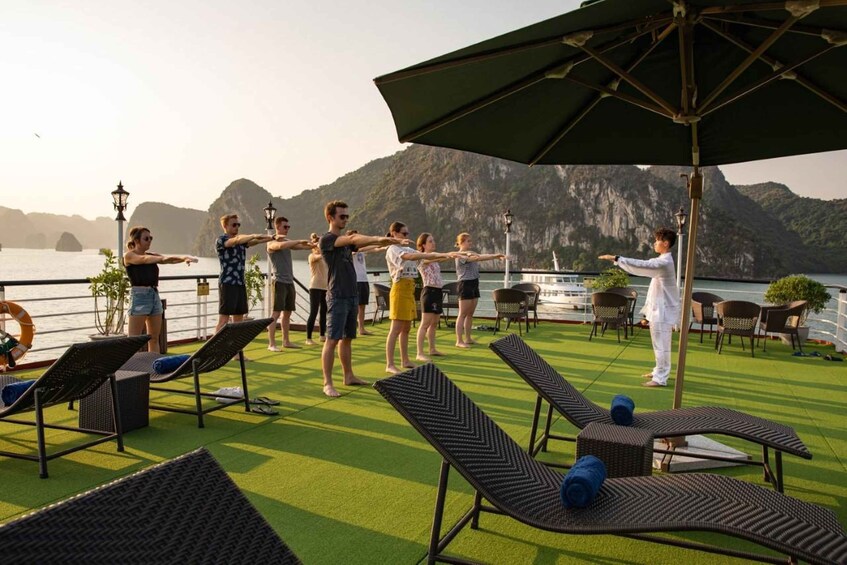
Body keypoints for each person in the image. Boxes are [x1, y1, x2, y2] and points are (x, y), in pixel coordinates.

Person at [319, 201, 409, 397]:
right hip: (337, 295)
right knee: (332, 340)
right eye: (342, 216)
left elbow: (367, 244)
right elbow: (354, 238)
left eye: (347, 216)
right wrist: (380, 238)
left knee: (347, 339)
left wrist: (388, 241)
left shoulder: (346, 244)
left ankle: (348, 376)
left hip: (352, 294)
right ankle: (327, 383)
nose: (345, 219)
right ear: (330, 218)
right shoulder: (327, 239)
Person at [599, 227, 681, 388]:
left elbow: (642, 265)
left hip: (663, 311)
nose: (654, 243)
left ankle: (660, 378)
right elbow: (646, 265)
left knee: (662, 345)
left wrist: (617, 258)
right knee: (659, 344)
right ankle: (659, 370)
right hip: (660, 309)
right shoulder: (663, 260)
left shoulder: (664, 263)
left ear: (665, 243)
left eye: (657, 240)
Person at [384, 223, 459, 374]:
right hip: (399, 288)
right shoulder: (393, 249)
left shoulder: (407, 248)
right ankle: (390, 364)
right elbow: (411, 257)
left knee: (406, 328)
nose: (407, 236)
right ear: (394, 233)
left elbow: (425, 255)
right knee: (395, 329)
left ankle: (405, 360)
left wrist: (450, 254)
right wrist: (428, 255)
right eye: (404, 233)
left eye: (407, 233)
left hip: (409, 288)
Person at [123, 226, 197, 353]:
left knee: (154, 338)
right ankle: (131, 365)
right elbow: (145, 259)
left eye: (151, 238)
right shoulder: (129, 256)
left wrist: (184, 258)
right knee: (133, 340)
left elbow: (167, 260)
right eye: (146, 238)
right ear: (136, 241)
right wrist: (161, 259)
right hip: (139, 297)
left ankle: (154, 364)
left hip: (154, 295)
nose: (149, 241)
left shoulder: (151, 255)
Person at [215, 214, 279, 333]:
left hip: (240, 283)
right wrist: (253, 235)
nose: (237, 227)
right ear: (225, 226)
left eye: (238, 225)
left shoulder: (241, 242)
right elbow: (235, 241)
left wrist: (272, 237)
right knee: (224, 319)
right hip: (227, 284)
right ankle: (215, 345)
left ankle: (235, 345)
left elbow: (256, 241)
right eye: (234, 225)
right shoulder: (221, 240)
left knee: (238, 319)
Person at [266, 216, 313, 351]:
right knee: (276, 314)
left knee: (287, 313)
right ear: (277, 227)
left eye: (288, 227)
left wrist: (314, 244)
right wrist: (297, 241)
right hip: (279, 282)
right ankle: (271, 344)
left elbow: (300, 246)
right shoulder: (271, 243)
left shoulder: (288, 241)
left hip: (289, 282)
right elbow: (280, 246)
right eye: (285, 227)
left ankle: (286, 341)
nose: (287, 229)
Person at [453, 232, 505, 348]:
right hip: (465, 284)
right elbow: (478, 258)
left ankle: (468, 338)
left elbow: (480, 255)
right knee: (462, 314)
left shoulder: (471, 252)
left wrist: (494, 256)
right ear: (461, 242)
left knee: (470, 314)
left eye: (470, 241)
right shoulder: (460, 255)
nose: (470, 243)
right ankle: (459, 340)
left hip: (474, 283)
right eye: (468, 241)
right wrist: (495, 256)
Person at [415, 232, 456, 362]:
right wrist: (445, 255)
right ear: (423, 245)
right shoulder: (421, 258)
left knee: (434, 323)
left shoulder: (434, 258)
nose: (433, 243)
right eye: (430, 241)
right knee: (425, 324)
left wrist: (451, 255)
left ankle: (432, 349)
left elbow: (440, 258)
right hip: (429, 292)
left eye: (433, 240)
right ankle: (419, 353)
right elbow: (433, 259)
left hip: (438, 292)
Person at [347, 229, 385, 336]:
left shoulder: (361, 250)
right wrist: (375, 243)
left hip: (363, 279)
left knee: (362, 305)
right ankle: (350, 328)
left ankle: (361, 328)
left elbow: (374, 249)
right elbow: (364, 248)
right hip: (355, 280)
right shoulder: (349, 250)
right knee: (353, 306)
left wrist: (383, 245)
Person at [306, 233, 328, 346]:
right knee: (313, 312)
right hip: (315, 287)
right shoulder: (312, 256)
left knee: (323, 311)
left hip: (324, 287)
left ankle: (322, 335)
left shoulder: (324, 257)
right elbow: (320, 256)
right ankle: (308, 338)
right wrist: (319, 246)